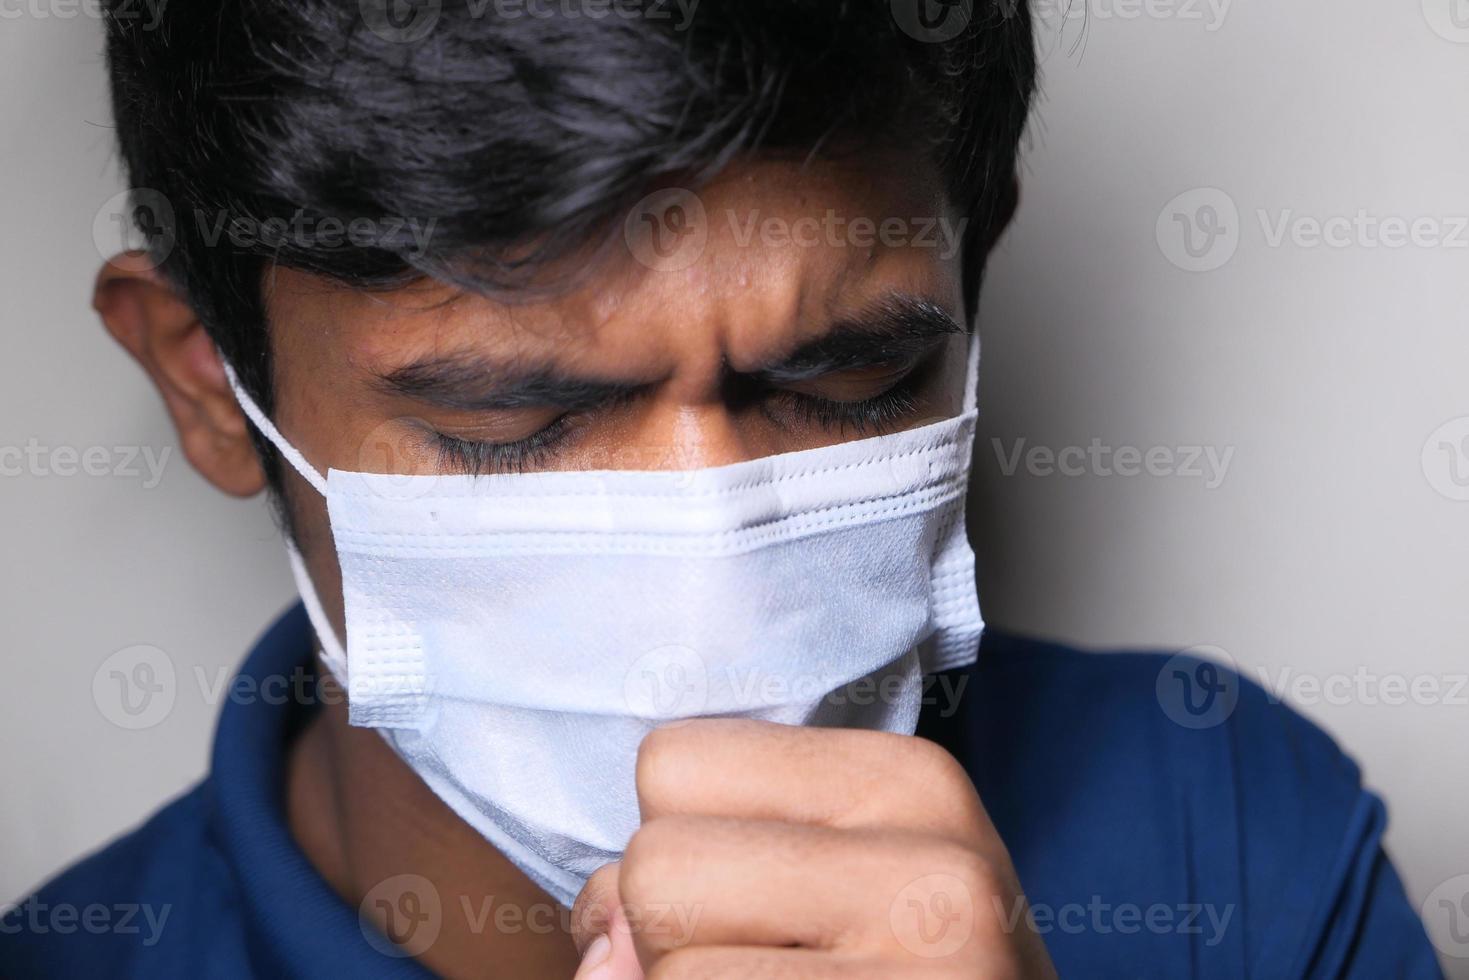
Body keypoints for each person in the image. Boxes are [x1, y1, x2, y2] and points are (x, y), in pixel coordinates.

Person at [1, 1, 1441, 977]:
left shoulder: (1234, 837)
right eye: (513, 417)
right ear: (206, 380)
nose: (713, 561)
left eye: (846, 380)